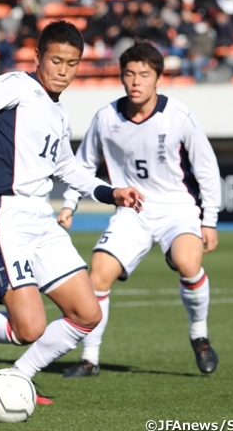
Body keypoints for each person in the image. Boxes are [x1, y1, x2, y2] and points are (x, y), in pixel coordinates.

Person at [0, 21, 144, 405]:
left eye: (72, 64)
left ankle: (19, 377)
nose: (63, 70)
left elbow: (67, 168)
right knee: (30, 328)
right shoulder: (15, 86)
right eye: (56, 60)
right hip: (4, 216)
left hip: (42, 217)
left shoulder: (59, 112)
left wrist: (111, 192)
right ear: (38, 57)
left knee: (88, 315)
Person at [52, 41, 221, 378]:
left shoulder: (178, 116)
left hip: (177, 209)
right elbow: (83, 166)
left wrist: (210, 219)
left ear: (158, 78)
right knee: (97, 275)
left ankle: (199, 335)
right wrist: (69, 204)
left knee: (189, 263)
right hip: (132, 211)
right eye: (129, 74)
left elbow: (206, 168)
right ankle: (90, 359)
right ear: (121, 77)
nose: (136, 81)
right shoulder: (106, 118)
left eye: (144, 74)